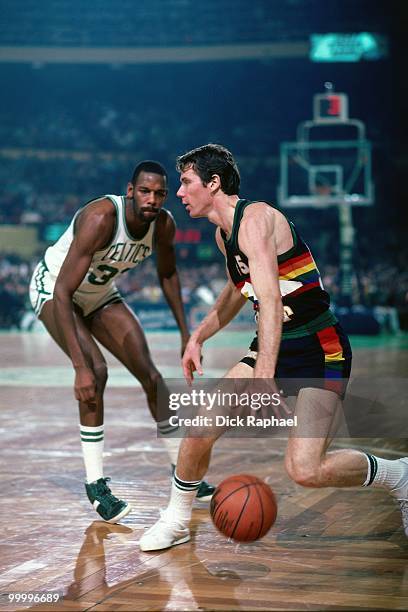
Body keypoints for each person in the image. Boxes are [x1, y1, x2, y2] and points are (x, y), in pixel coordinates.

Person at [139, 144, 408, 551]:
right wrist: (198, 337)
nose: (179, 192)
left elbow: (269, 298)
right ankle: (176, 519)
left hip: (320, 349)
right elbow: (237, 291)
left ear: (213, 183)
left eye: (186, 182)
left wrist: (264, 374)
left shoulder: (257, 219)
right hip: (274, 347)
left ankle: (400, 475)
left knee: (307, 469)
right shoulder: (222, 234)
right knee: (199, 427)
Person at [29, 160, 214, 524]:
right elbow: (64, 291)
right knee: (96, 372)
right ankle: (95, 483)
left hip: (98, 293)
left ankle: (183, 473)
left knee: (154, 379)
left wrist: (185, 334)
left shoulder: (163, 225)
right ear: (130, 191)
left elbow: (168, 273)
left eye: (159, 193)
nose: (152, 199)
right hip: (55, 288)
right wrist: (79, 366)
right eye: (145, 191)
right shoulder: (101, 218)